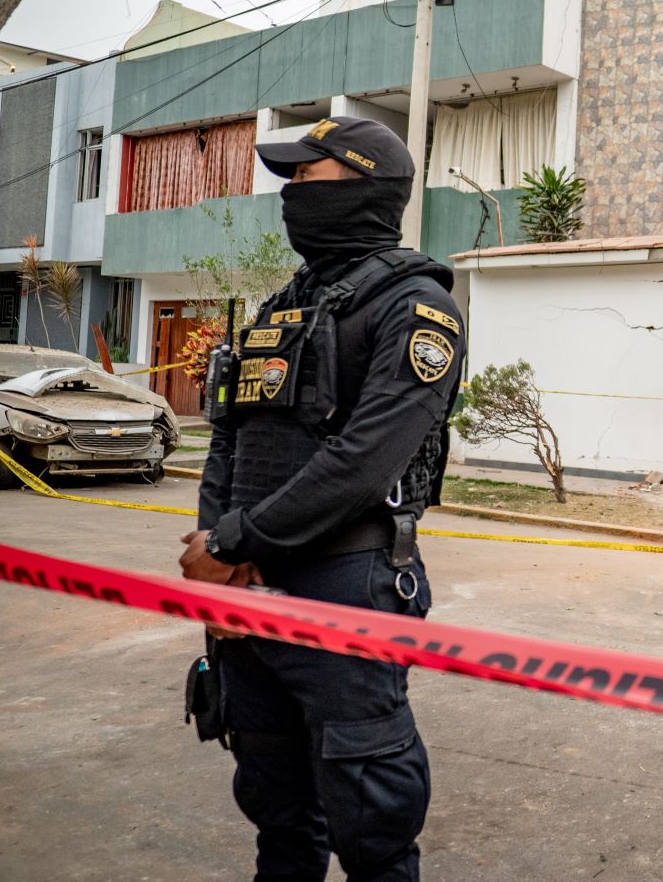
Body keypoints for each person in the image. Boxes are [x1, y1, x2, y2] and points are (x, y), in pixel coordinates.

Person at [177, 115, 465, 882]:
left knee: (371, 823)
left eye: (308, 177)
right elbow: (230, 438)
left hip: (346, 587)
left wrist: (237, 540)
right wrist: (214, 552)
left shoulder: (416, 305)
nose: (290, 193)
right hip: (250, 590)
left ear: (365, 187)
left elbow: (363, 462)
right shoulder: (282, 307)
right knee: (278, 811)